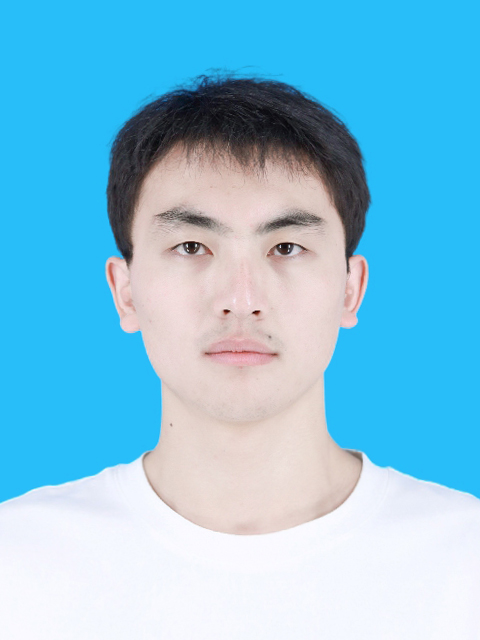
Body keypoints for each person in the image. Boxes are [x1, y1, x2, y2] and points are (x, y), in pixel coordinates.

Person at [1, 73, 479, 639]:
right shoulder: (18, 562)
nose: (241, 299)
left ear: (351, 289)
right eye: (191, 246)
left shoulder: (464, 559)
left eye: (286, 247)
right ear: (124, 291)